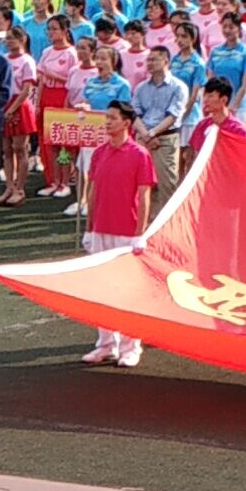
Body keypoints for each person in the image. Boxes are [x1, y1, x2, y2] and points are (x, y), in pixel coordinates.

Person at [80, 103, 158, 367]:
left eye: (113, 118)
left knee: (128, 291)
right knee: (102, 290)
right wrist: (89, 228)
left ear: (126, 123)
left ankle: (130, 347)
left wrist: (139, 234)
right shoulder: (99, 153)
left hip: (127, 232)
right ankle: (106, 345)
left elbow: (144, 195)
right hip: (101, 229)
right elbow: (92, 191)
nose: (107, 122)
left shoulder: (139, 155)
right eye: (106, 117)